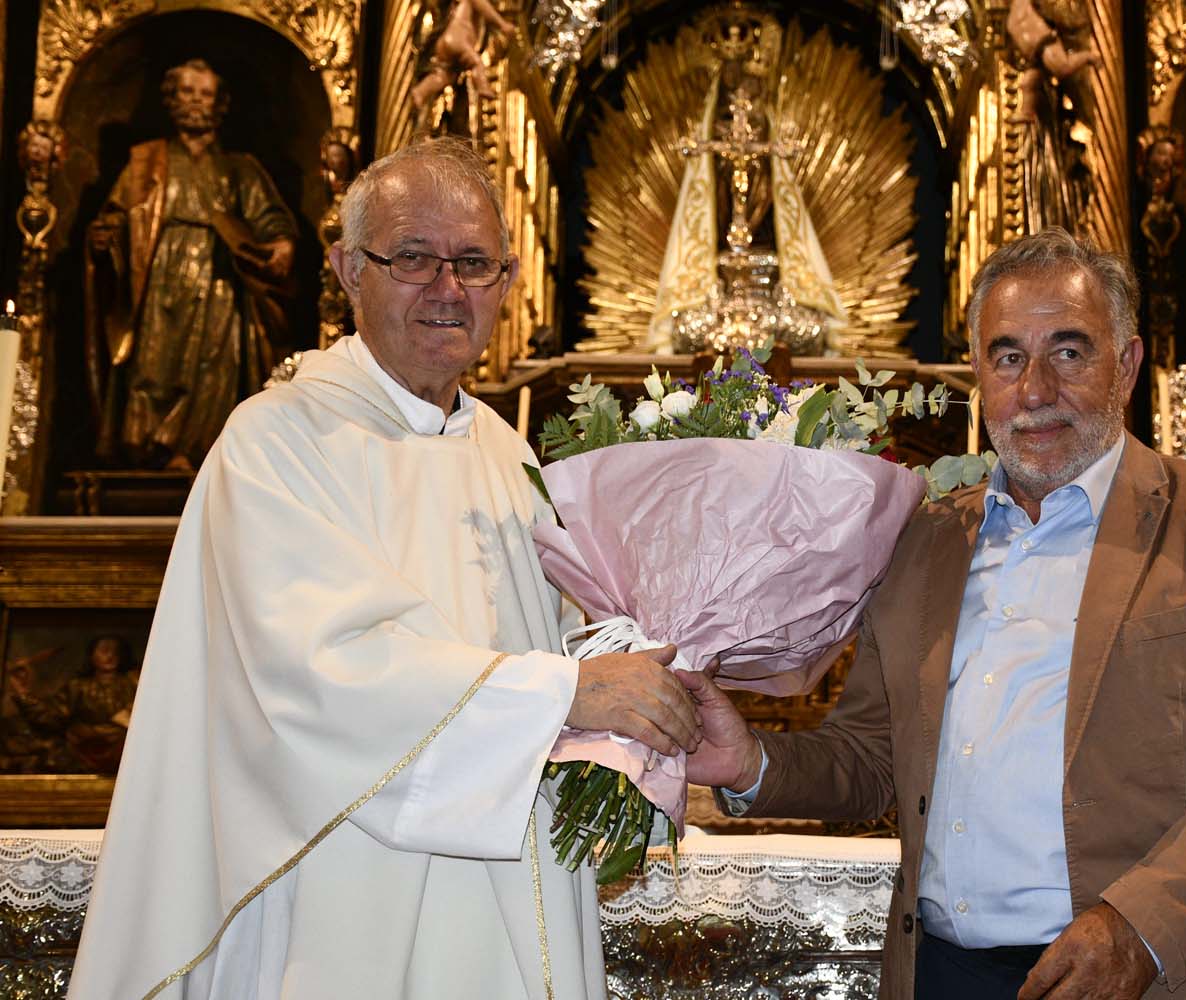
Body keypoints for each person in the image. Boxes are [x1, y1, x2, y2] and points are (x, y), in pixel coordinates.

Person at [69, 138, 701, 999]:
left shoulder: (505, 456)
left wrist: (652, 682)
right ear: (345, 268)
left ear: (507, 284)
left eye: (475, 263)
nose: (448, 289)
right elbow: (319, 677)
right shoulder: (276, 442)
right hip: (333, 894)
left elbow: (562, 654)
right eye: (413, 257)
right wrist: (568, 694)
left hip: (505, 894)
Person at [684, 228, 1186, 1000]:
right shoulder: (923, 543)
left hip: (1170, 973)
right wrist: (752, 764)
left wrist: (1140, 925)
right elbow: (874, 759)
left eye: (1069, 352)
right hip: (947, 974)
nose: (1035, 390)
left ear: (1129, 364)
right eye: (1008, 357)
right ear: (980, 375)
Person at [85, 58, 297, 471]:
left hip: (219, 276)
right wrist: (105, 237)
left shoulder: (239, 167)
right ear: (171, 100)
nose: (196, 102)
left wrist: (280, 247)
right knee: (152, 361)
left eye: (205, 94)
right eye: (187, 92)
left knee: (214, 366)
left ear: (219, 105)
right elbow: (114, 215)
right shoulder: (145, 160)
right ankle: (146, 449)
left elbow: (272, 219)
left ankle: (198, 450)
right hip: (157, 270)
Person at [7, 635, 139, 774]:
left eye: (115, 651)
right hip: (83, 753)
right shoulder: (77, 687)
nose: (110, 656)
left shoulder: (133, 684)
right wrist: (24, 695)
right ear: (92, 655)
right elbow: (51, 716)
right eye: (104, 650)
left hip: (124, 753)